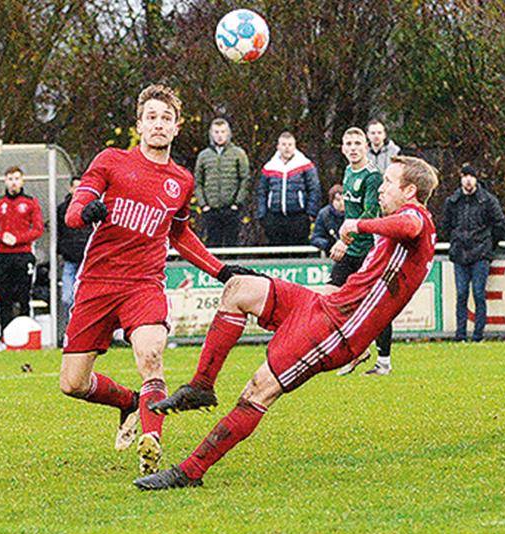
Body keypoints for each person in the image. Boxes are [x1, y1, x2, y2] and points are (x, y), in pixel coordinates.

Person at [135, 156, 439, 490]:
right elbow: (373, 291)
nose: (380, 189)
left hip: (334, 331)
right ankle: (201, 386)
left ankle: (190, 471)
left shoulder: (416, 218)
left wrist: (359, 225)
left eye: (388, 183)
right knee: (238, 288)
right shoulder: (398, 226)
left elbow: (410, 226)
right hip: (324, 308)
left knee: (257, 391)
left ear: (410, 191)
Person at [61, 84, 239, 477]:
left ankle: (152, 438)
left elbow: (179, 234)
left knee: (150, 355)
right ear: (139, 125)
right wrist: (84, 211)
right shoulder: (111, 161)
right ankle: (129, 402)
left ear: (177, 128)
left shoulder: (181, 180)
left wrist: (220, 270)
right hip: (97, 282)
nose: (159, 124)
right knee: (72, 383)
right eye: (152, 117)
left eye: (167, 118)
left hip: (144, 283)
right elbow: (74, 212)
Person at [328, 127, 392, 376]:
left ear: (366, 146)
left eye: (358, 143)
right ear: (343, 148)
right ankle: (358, 350)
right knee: (331, 298)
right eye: (349, 143)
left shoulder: (373, 176)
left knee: (377, 306)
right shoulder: (347, 171)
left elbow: (369, 214)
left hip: (369, 250)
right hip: (352, 249)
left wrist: (345, 239)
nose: (353, 148)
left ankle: (383, 362)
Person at [442, 164, 505, 341]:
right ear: (460, 179)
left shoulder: (488, 200)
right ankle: (460, 334)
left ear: (476, 178)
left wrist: (488, 245)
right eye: (464, 176)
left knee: (479, 293)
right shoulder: (452, 201)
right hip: (460, 254)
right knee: (461, 293)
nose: (467, 179)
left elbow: (500, 226)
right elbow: (445, 226)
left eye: (470, 176)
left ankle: (478, 334)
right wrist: (455, 240)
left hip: (480, 253)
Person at [0, 166, 44, 332]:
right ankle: (6, 334)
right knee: (4, 296)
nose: (14, 183)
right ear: (5, 181)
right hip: (3, 255)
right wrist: (2, 236)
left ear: (22, 181)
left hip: (23, 254)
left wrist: (18, 239)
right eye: (10, 179)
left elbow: (38, 229)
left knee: (23, 295)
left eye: (17, 179)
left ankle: (26, 333)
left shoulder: (30, 202)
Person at [194, 118, 252, 247]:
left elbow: (245, 179)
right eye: (216, 132)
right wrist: (203, 205)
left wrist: (237, 203)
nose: (219, 135)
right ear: (211, 134)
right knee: (212, 244)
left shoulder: (238, 154)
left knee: (232, 244)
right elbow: (198, 182)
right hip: (211, 209)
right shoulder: (204, 156)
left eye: (222, 132)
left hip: (231, 208)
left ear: (228, 133)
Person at [256, 132, 321, 245]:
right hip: (275, 217)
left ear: (294, 146)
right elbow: (262, 191)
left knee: (299, 252)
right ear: (278, 146)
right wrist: (263, 215)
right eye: (284, 144)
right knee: (277, 253)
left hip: (298, 216)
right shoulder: (269, 167)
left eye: (290, 145)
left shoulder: (305, 165)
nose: (287, 148)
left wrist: (310, 213)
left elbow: (314, 189)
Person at [56, 177, 91, 320]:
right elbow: (59, 232)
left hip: (86, 260)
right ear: (70, 189)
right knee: (67, 298)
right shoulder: (63, 209)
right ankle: (68, 329)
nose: (78, 191)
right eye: (75, 187)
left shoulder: (90, 207)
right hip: (70, 259)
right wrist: (61, 251)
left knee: (86, 299)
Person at [310, 184, 345, 255]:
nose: (342, 203)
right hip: (330, 253)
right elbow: (315, 238)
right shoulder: (324, 214)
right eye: (338, 200)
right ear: (332, 201)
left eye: (344, 200)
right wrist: (330, 245)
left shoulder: (354, 213)